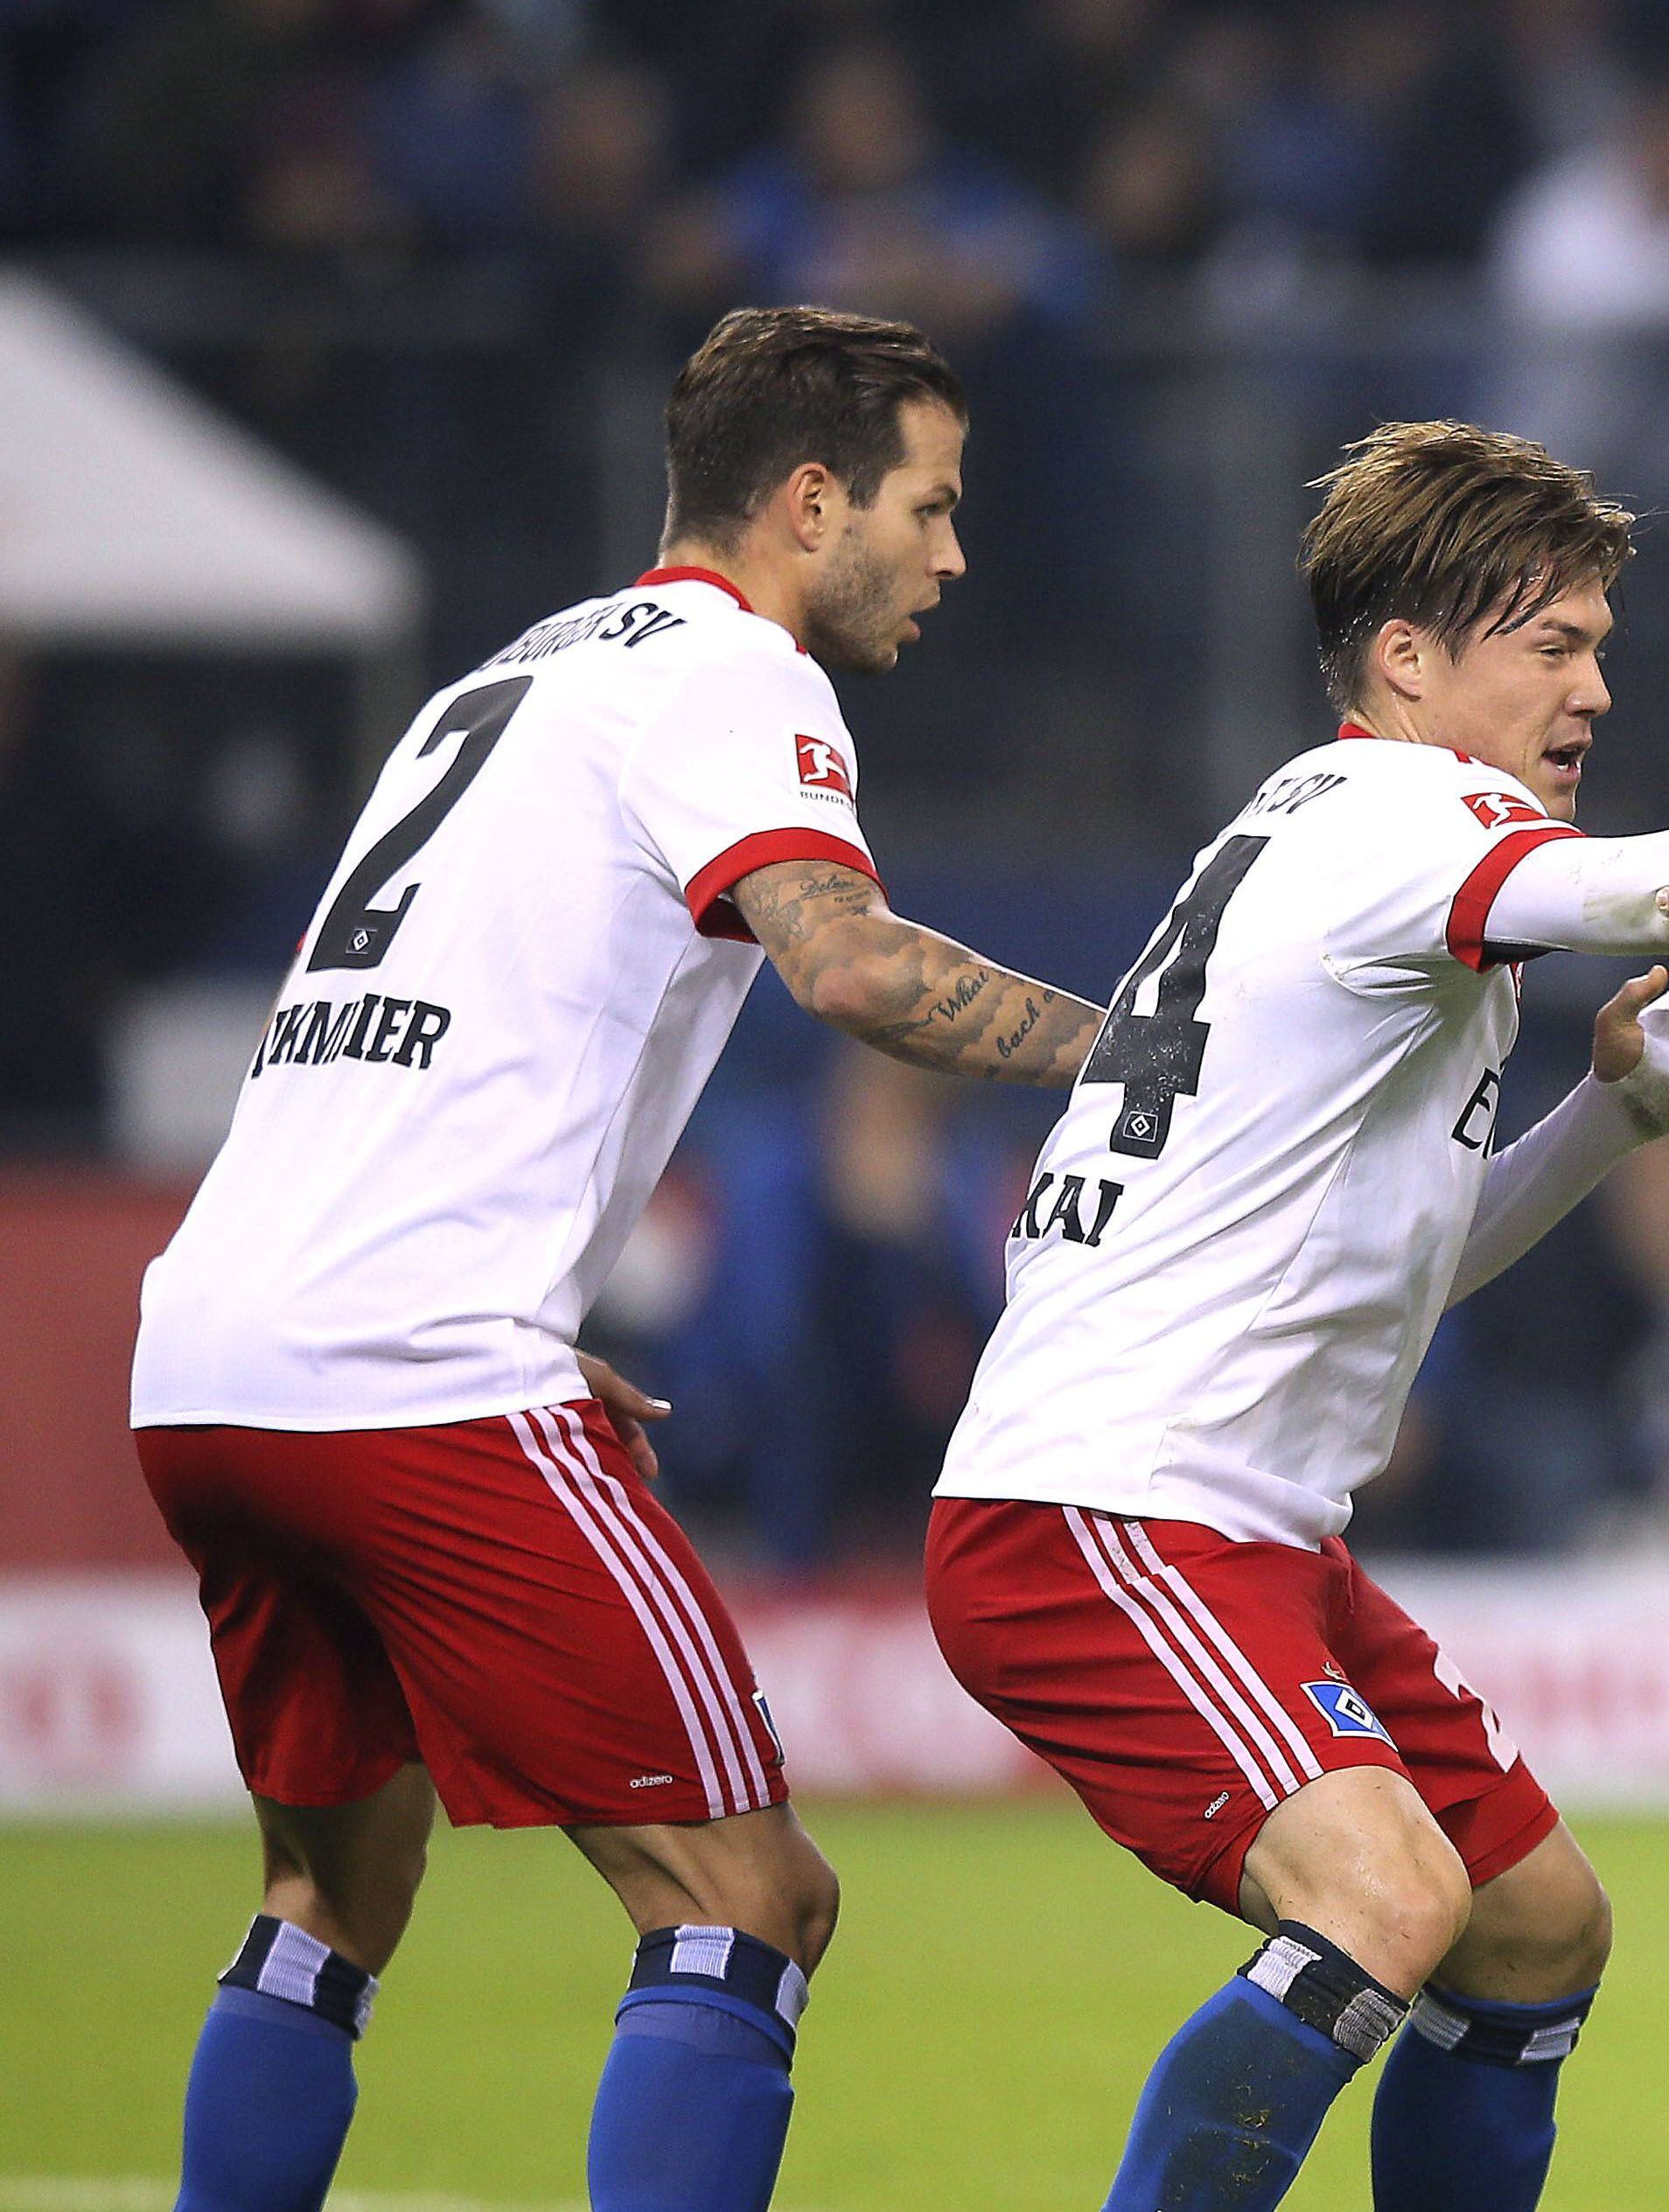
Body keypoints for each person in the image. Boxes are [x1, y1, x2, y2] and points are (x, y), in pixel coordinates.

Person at [920, 419, 1669, 2212]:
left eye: (1599, 645)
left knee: (1533, 1924)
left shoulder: (1327, 838)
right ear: (1406, 659)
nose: (1593, 688)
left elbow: (1408, 1266)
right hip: (1110, 1510)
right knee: (1389, 1898)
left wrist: (1614, 1115)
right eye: (1551, 644)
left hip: (1229, 1524)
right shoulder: (1411, 817)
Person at [128, 305, 1108, 2212]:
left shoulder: (503, 679)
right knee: (752, 1896)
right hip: (417, 1370)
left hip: (217, 1358)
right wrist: (1165, 1049)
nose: (954, 554)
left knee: (333, 1887)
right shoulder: (745, 674)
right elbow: (845, 962)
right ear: (812, 501)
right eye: (931, 503)